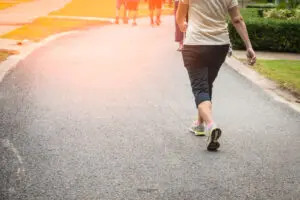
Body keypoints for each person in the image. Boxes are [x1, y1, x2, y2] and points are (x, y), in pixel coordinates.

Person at [176, 0, 256, 151]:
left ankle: (211, 125)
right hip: (220, 46)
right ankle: (199, 124)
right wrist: (249, 46)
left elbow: (180, 18)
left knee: (200, 89)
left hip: (195, 44)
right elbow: (237, 19)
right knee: (207, 84)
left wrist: (184, 25)